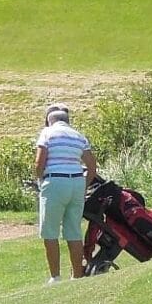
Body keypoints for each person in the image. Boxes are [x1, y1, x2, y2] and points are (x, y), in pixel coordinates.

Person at [33, 102, 96, 284]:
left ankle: (55, 277)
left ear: (49, 121)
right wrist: (84, 186)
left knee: (50, 231)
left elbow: (39, 162)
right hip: (76, 182)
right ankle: (77, 275)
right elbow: (92, 166)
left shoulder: (47, 133)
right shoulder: (78, 136)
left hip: (55, 181)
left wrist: (40, 180)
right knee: (74, 231)